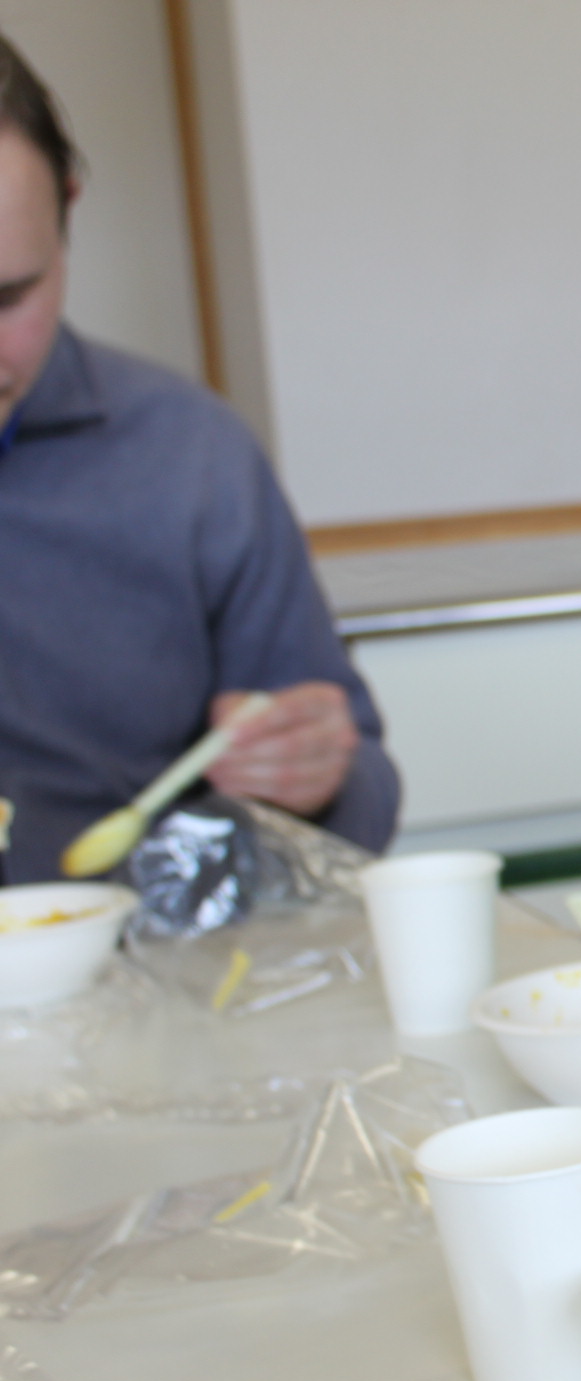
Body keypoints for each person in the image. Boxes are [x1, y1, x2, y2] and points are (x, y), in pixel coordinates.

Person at [0, 33, 396, 885]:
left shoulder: (187, 454)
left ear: (67, 212)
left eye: (7, 297)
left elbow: (364, 797)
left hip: (154, 954)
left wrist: (313, 778)